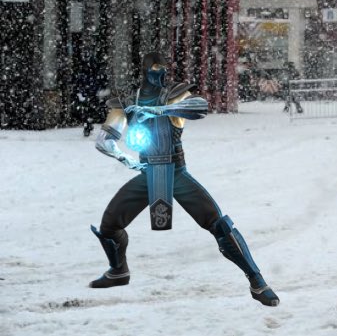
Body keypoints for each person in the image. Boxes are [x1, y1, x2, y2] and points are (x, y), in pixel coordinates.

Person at [89, 52, 279, 307]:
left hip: (175, 171)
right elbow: (105, 140)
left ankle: (257, 281)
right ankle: (118, 271)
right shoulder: (127, 101)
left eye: (163, 69)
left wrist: (156, 109)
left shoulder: (174, 94)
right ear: (145, 71)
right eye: (156, 69)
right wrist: (125, 159)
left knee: (219, 225)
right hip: (147, 173)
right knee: (109, 226)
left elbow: (198, 107)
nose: (162, 74)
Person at [75, 48, 107, 137]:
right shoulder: (90, 68)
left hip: (90, 90)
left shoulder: (87, 68)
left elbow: (80, 80)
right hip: (90, 90)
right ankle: (88, 124)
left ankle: (88, 124)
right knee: (89, 109)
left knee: (88, 109)